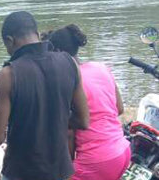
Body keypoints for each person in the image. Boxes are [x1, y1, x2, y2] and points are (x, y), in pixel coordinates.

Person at [0, 11, 90, 180]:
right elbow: (83, 121)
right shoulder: (69, 62)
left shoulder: (7, 75)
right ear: (37, 34)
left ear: (9, 41)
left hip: (21, 172)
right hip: (59, 170)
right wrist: (56, 119)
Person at [45, 24, 130, 180]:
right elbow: (119, 108)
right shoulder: (101, 67)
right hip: (122, 151)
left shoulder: (67, 81)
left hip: (96, 161)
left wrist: (67, 171)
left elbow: (69, 134)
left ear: (56, 53)